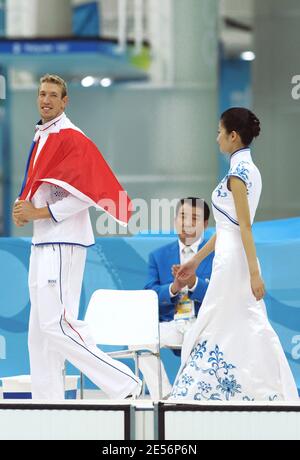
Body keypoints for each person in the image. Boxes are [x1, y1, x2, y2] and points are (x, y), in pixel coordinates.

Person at [12, 74, 141, 400]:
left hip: (64, 241)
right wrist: (25, 209)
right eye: (42, 94)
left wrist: (38, 213)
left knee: (58, 325)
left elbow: (89, 194)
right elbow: (42, 188)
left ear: (65, 101)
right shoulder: (42, 136)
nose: (46, 99)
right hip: (43, 242)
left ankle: (125, 384)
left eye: (53, 95)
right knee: (39, 333)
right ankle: (49, 406)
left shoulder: (72, 137)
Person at [170, 108, 298, 401]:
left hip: (234, 262)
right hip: (229, 257)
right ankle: (244, 391)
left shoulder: (238, 176)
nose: (216, 139)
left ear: (233, 136)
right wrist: (195, 260)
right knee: (234, 321)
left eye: (219, 132)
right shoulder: (247, 170)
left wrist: (255, 274)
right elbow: (227, 229)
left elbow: (245, 229)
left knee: (225, 320)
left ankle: (207, 391)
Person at [139, 198, 214, 399]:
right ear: (175, 220)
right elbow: (149, 295)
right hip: (173, 323)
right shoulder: (158, 256)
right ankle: (164, 397)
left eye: (195, 218)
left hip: (204, 325)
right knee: (139, 339)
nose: (187, 222)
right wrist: (174, 287)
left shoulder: (217, 254)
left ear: (205, 224)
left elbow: (221, 294)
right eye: (183, 216)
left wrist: (193, 283)